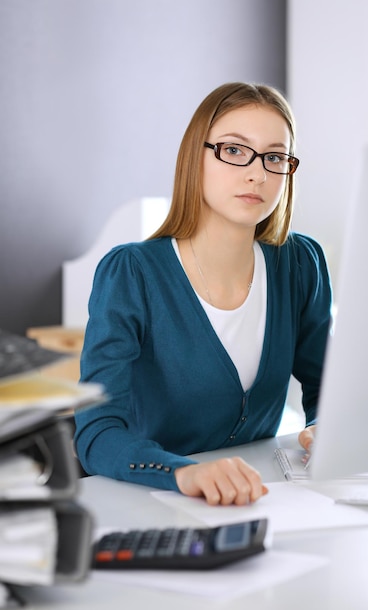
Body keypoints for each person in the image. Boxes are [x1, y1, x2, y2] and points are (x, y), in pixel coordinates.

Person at [74, 81, 332, 506]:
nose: (257, 173)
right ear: (197, 156)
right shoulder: (132, 273)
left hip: (256, 499)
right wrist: (185, 473)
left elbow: (326, 387)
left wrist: (324, 430)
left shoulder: (300, 263)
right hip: (144, 500)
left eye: (274, 156)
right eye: (234, 150)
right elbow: (97, 432)